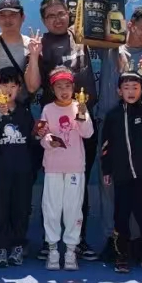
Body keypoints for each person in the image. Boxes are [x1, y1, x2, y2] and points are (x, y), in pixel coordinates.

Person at [25, 0, 100, 262]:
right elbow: (31, 86)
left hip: (83, 121)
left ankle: (78, 241)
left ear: (70, 14)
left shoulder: (81, 34)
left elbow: (100, 9)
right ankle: (51, 243)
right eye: (51, 16)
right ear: (43, 20)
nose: (58, 19)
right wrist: (34, 56)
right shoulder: (41, 44)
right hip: (54, 125)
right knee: (52, 191)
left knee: (79, 186)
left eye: (61, 13)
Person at [96, 5, 142, 262]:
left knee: (138, 192)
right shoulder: (112, 46)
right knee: (109, 186)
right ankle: (112, 240)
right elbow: (96, 19)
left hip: (137, 130)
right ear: (130, 24)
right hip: (108, 125)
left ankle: (137, 242)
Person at [100, 70, 142, 274]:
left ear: (141, 90)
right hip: (121, 173)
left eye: (135, 87)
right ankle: (122, 255)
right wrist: (107, 169)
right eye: (126, 88)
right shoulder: (112, 115)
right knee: (121, 215)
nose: (131, 92)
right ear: (119, 91)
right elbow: (106, 145)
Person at [38, 66, 95, 271]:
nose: (64, 90)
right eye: (59, 86)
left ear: (73, 87)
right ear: (52, 89)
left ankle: (71, 251)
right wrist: (48, 141)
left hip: (75, 168)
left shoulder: (80, 106)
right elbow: (42, 135)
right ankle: (53, 250)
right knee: (51, 209)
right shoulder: (47, 109)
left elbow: (88, 133)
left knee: (73, 210)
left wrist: (82, 113)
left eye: (67, 86)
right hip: (53, 167)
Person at [0, 68, 39, 268]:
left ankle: (18, 246)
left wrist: (31, 170)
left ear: (19, 89)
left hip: (22, 173)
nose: (8, 90)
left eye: (13, 86)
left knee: (21, 209)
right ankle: (0, 247)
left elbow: (32, 144)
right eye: (4, 85)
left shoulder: (25, 113)